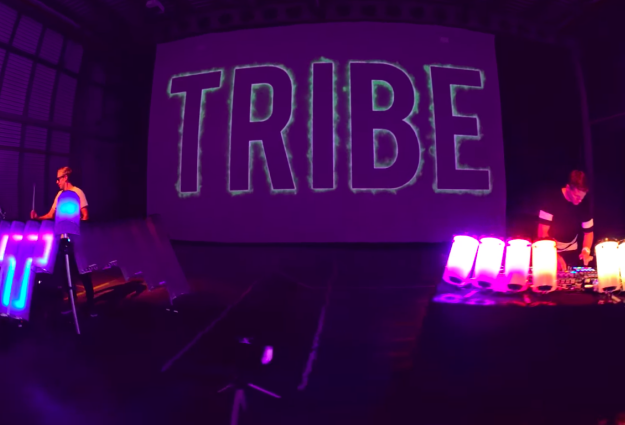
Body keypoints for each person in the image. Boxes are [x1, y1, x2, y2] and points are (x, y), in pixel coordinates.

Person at [31, 167, 96, 316]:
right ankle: (72, 303)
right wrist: (37, 218)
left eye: (58, 178)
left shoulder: (77, 192)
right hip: (63, 240)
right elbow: (50, 215)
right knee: (66, 274)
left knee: (83, 272)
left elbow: (85, 215)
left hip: (77, 241)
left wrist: (78, 231)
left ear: (65, 177)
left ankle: (91, 305)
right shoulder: (59, 195)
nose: (56, 182)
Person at [537, 170, 594, 271]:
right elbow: (542, 234)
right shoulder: (550, 199)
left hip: (572, 250)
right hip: (549, 249)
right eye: (576, 196)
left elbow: (588, 232)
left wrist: (586, 250)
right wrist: (554, 255)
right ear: (568, 188)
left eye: (582, 197)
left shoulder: (583, 203)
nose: (579, 200)